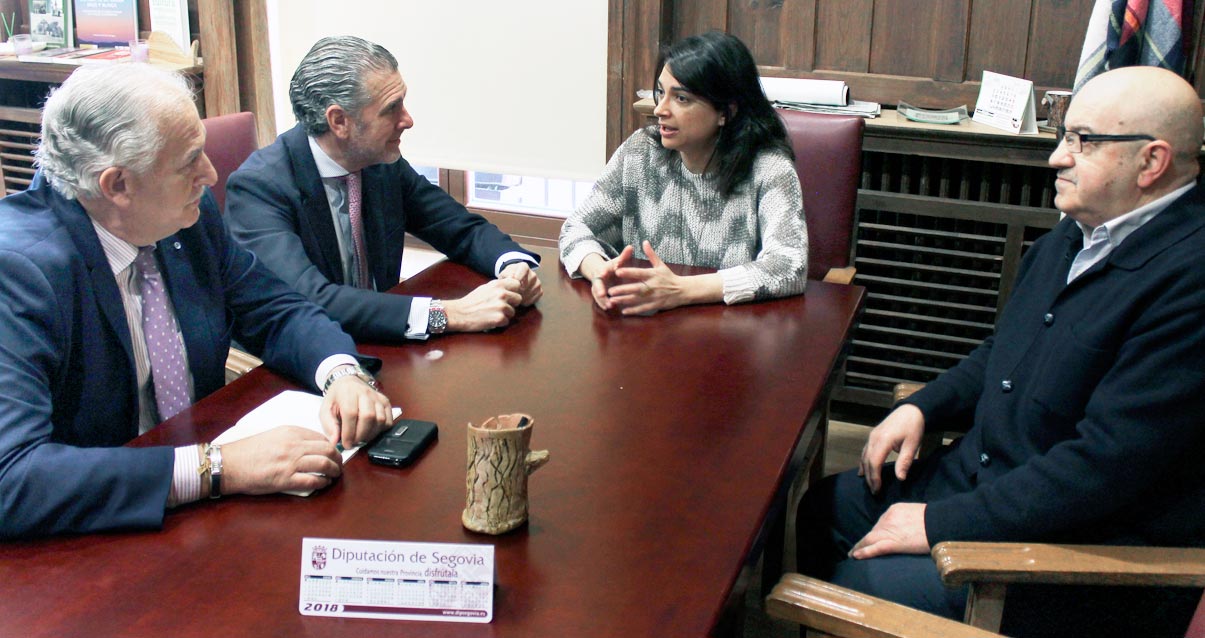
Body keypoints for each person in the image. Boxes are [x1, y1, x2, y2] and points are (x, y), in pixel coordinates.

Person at [798, 65, 1205, 636]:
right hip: (990, 482)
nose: (1056, 158)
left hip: (1076, 551)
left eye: (1081, 141)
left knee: (858, 585)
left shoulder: (1190, 281)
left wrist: (939, 523)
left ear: (1151, 162)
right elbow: (1003, 353)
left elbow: (1102, 470)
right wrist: (925, 406)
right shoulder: (1080, 232)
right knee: (824, 508)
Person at [0, 64, 395, 539]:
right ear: (117, 185)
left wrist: (341, 374)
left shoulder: (185, 215)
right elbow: (13, 479)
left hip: (204, 515)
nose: (210, 175)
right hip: (93, 540)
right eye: (189, 161)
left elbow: (273, 309)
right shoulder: (19, 271)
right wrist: (215, 467)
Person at [225, 36, 542, 342]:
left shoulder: (380, 163)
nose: (408, 120)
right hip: (302, 362)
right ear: (339, 121)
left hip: (385, 341)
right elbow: (307, 298)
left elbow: (460, 229)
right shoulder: (260, 188)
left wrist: (512, 265)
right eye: (392, 108)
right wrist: (446, 314)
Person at [559, 31, 807, 315]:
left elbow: (790, 266)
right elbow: (576, 227)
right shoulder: (642, 152)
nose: (660, 109)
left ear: (726, 111)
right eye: (661, 93)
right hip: (646, 329)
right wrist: (599, 270)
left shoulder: (768, 169)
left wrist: (681, 291)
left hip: (731, 335)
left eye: (682, 98)